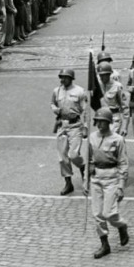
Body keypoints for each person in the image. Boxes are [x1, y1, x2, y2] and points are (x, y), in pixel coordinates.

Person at [88, 108, 129, 259]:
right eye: (98, 121)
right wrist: (87, 181)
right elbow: (89, 160)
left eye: (103, 122)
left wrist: (121, 186)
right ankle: (104, 244)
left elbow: (123, 164)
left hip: (112, 178)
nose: (100, 124)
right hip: (96, 178)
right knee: (97, 214)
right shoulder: (92, 137)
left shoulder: (118, 140)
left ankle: (121, 226)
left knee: (110, 213)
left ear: (109, 123)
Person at [51, 68, 87, 196]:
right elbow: (52, 104)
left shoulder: (79, 91)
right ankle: (68, 183)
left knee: (73, 155)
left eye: (65, 77)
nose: (62, 79)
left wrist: (85, 127)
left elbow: (85, 111)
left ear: (71, 78)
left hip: (75, 125)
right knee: (62, 158)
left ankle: (83, 169)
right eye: (61, 77)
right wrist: (55, 110)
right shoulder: (57, 91)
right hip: (62, 125)